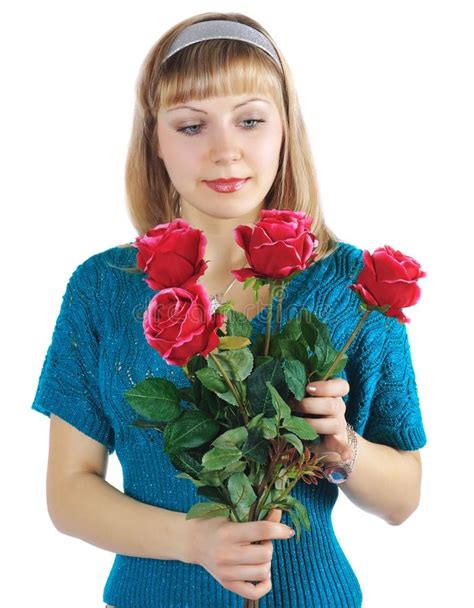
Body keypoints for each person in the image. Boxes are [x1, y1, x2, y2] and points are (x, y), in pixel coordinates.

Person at [31, 12, 427, 608]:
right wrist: (192, 541)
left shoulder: (354, 287)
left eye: (250, 119)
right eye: (191, 126)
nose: (225, 150)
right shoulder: (101, 290)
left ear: (284, 130)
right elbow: (68, 491)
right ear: (155, 141)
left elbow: (403, 498)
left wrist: (343, 447)